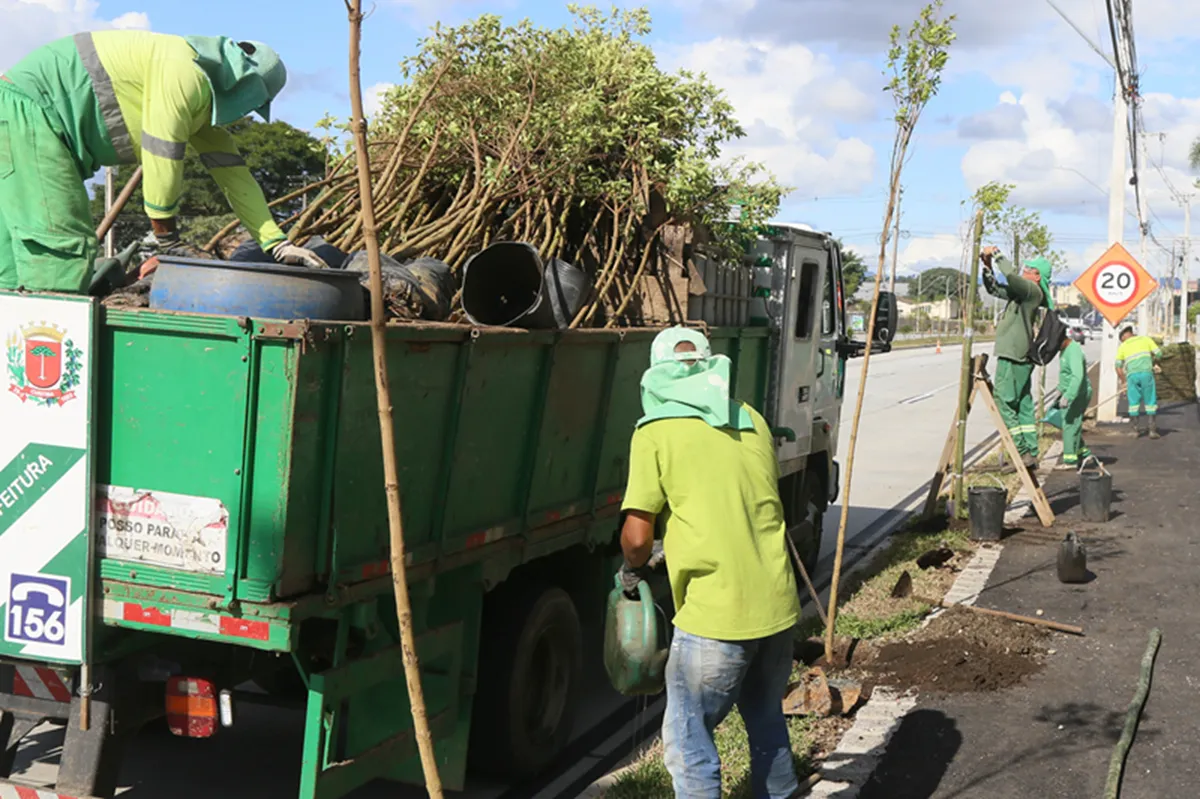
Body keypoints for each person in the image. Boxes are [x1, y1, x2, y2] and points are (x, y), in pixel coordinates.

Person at [0, 31, 327, 294]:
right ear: (245, 86)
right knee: (59, 249)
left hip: (27, 118)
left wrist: (277, 244)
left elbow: (235, 176)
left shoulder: (202, 108)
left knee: (11, 259)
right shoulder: (185, 73)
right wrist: (168, 238)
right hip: (29, 113)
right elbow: (162, 152)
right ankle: (47, 352)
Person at [618, 327, 800, 799]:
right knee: (766, 717)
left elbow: (637, 538)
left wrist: (633, 568)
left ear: (655, 374)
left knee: (688, 738)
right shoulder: (750, 418)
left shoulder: (654, 432)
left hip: (716, 617)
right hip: (777, 605)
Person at [980, 246, 1054, 471]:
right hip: (1020, 354)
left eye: (1028, 269)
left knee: (1003, 401)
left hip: (1012, 353)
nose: (1023, 271)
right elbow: (995, 289)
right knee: (1023, 404)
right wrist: (987, 267)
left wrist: (997, 254)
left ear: (1037, 276)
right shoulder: (1022, 294)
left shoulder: (1032, 291)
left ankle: (1021, 452)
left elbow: (1011, 277)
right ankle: (1031, 450)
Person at [1055, 332, 1093, 470]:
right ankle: (1084, 454)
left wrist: (1069, 395)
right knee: (1071, 424)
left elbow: (1077, 376)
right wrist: (1060, 390)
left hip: (1078, 394)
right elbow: (1066, 374)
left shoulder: (1074, 351)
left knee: (1070, 425)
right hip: (1071, 392)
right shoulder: (1064, 351)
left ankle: (1070, 461)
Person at [1116, 326, 1162, 439]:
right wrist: (1155, 364)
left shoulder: (1123, 347)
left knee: (1133, 403)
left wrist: (1124, 381)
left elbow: (1118, 367)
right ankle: (1152, 431)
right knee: (1150, 402)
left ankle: (1134, 431)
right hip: (1147, 374)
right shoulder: (1145, 340)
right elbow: (1159, 354)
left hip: (1132, 377)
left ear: (1123, 338)